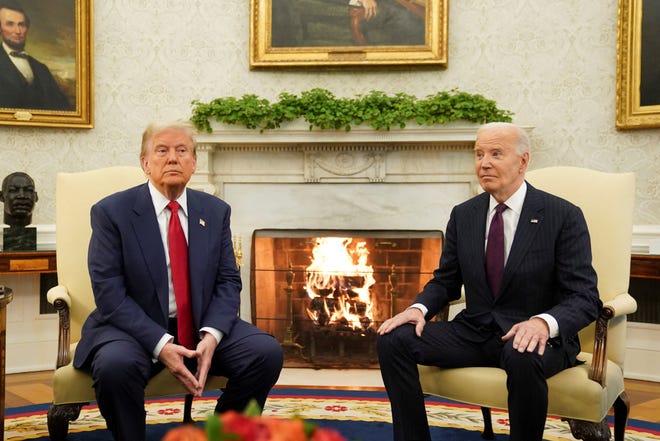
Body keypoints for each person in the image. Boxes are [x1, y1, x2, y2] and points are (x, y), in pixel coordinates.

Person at [376, 122, 602, 441]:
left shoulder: (562, 215)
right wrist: (419, 308)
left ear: (523, 161)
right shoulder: (464, 215)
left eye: (496, 153)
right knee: (393, 339)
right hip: (475, 331)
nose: (484, 163)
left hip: (535, 336)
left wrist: (541, 323)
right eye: (479, 154)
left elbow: (585, 296)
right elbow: (446, 281)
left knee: (522, 355)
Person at [73, 121, 284, 441]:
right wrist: (161, 344)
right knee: (115, 367)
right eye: (162, 151)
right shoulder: (112, 212)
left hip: (198, 322)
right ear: (145, 163)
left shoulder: (214, 211)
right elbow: (109, 292)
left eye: (182, 150)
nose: (173, 158)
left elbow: (228, 280)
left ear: (194, 163)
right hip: (132, 327)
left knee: (265, 352)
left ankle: (225, 432)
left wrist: (212, 336)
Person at [0, 0, 72, 110]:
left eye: (22, 25)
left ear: (27, 28)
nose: (18, 31)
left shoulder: (42, 69)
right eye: (10, 24)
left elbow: (64, 110)